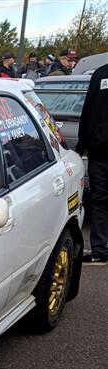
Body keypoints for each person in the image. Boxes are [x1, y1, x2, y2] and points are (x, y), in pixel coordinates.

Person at [76, 63, 108, 264]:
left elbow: (87, 112)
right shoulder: (99, 74)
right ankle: (98, 249)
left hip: (99, 151)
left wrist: (81, 145)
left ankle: (99, 250)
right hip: (99, 152)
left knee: (100, 203)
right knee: (100, 202)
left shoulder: (100, 74)